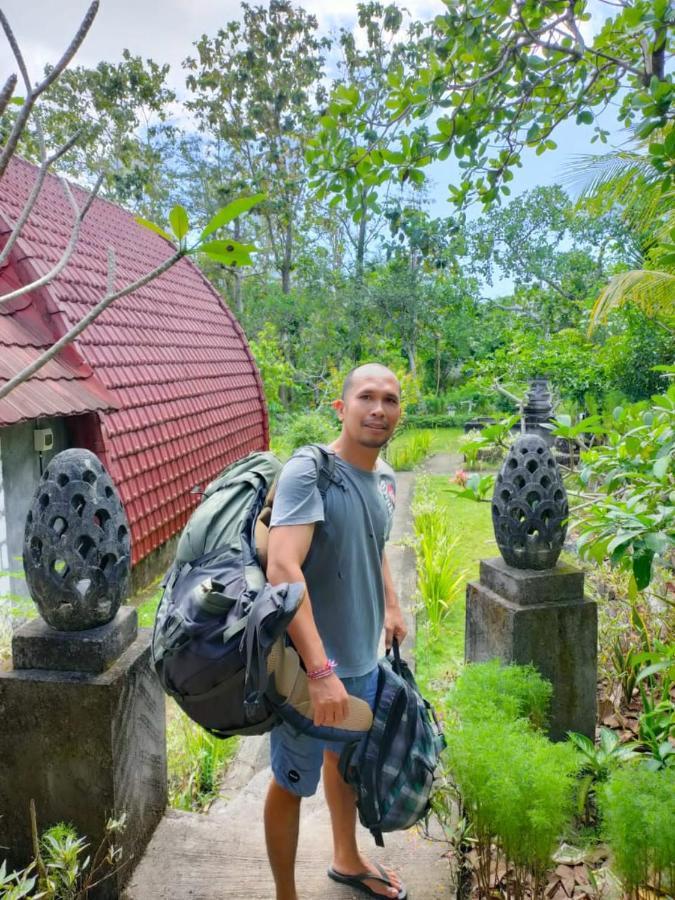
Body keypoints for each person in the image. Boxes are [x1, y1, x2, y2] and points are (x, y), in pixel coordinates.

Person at [265, 363, 409, 900]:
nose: (378, 409)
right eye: (366, 397)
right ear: (341, 407)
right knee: (290, 780)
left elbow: (372, 546)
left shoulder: (387, 479)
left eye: (390, 400)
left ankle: (346, 860)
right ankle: (286, 894)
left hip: (361, 659)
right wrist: (321, 671)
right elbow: (283, 566)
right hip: (307, 667)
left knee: (345, 760)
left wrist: (392, 605)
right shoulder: (311, 472)